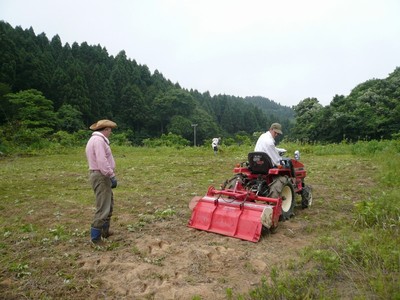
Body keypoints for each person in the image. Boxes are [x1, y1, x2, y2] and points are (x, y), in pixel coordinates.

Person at [85, 119, 118, 244]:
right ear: (106, 129)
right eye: (110, 130)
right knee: (103, 206)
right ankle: (96, 238)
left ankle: (104, 232)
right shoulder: (98, 141)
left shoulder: (95, 140)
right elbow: (102, 161)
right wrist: (111, 175)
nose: (110, 132)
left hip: (100, 175)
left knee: (109, 205)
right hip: (101, 175)